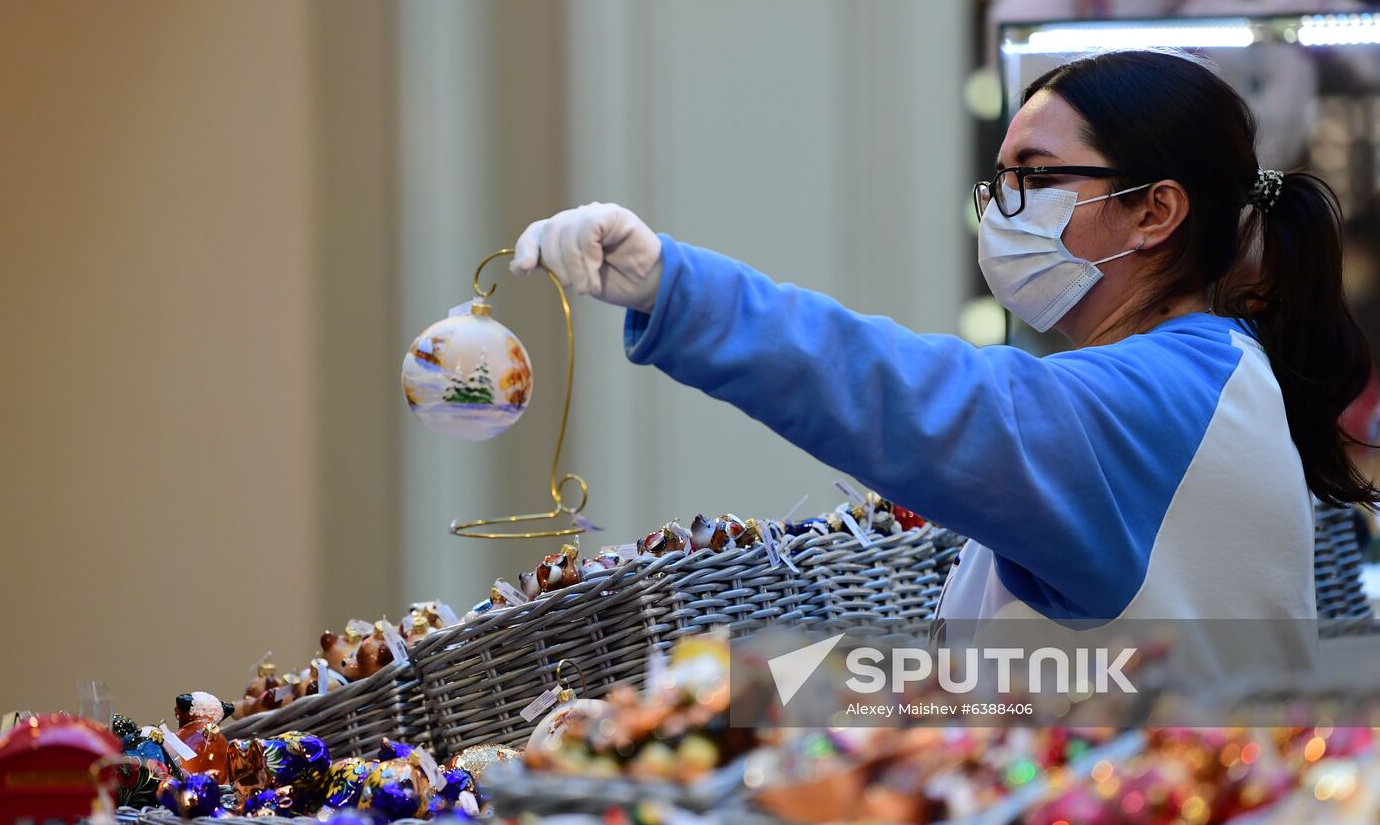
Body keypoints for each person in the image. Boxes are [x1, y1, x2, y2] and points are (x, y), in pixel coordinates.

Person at [509, 50, 1379, 646]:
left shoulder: (1145, 403)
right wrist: (786, 700)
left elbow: (901, 393)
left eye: (1036, 178)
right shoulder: (1204, 374)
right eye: (999, 181)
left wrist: (677, 286)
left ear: (1155, 210)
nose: (1003, 211)